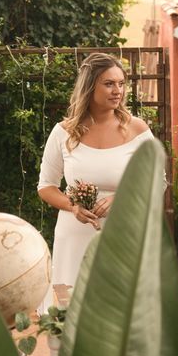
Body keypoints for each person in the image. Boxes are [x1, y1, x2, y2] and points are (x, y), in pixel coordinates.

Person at [38, 53, 154, 307]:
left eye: (121, 84)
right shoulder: (63, 132)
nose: (118, 91)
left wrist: (121, 198)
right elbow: (46, 186)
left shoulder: (138, 130)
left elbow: (157, 182)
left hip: (122, 235)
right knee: (70, 313)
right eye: (109, 83)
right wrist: (72, 206)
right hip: (74, 236)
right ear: (90, 86)